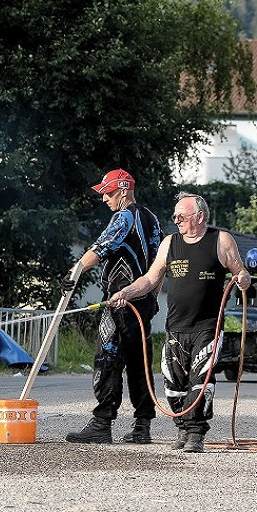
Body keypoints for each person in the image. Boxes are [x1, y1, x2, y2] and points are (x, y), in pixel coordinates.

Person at [107, 192, 252, 453]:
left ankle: (196, 432)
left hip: (207, 326)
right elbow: (151, 279)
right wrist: (126, 292)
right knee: (173, 383)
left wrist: (242, 278)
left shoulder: (220, 240)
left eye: (181, 216)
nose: (176, 220)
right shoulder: (169, 243)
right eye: (175, 216)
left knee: (200, 380)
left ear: (199, 216)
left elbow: (240, 271)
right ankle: (183, 428)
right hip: (176, 326)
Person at [64, 169, 162, 445]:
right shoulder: (152, 219)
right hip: (143, 301)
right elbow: (160, 263)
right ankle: (143, 427)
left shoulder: (123, 217)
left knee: (106, 357)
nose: (104, 198)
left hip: (120, 302)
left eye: (107, 193)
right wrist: (153, 295)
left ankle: (101, 422)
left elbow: (103, 246)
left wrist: (76, 270)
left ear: (123, 190)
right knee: (139, 362)